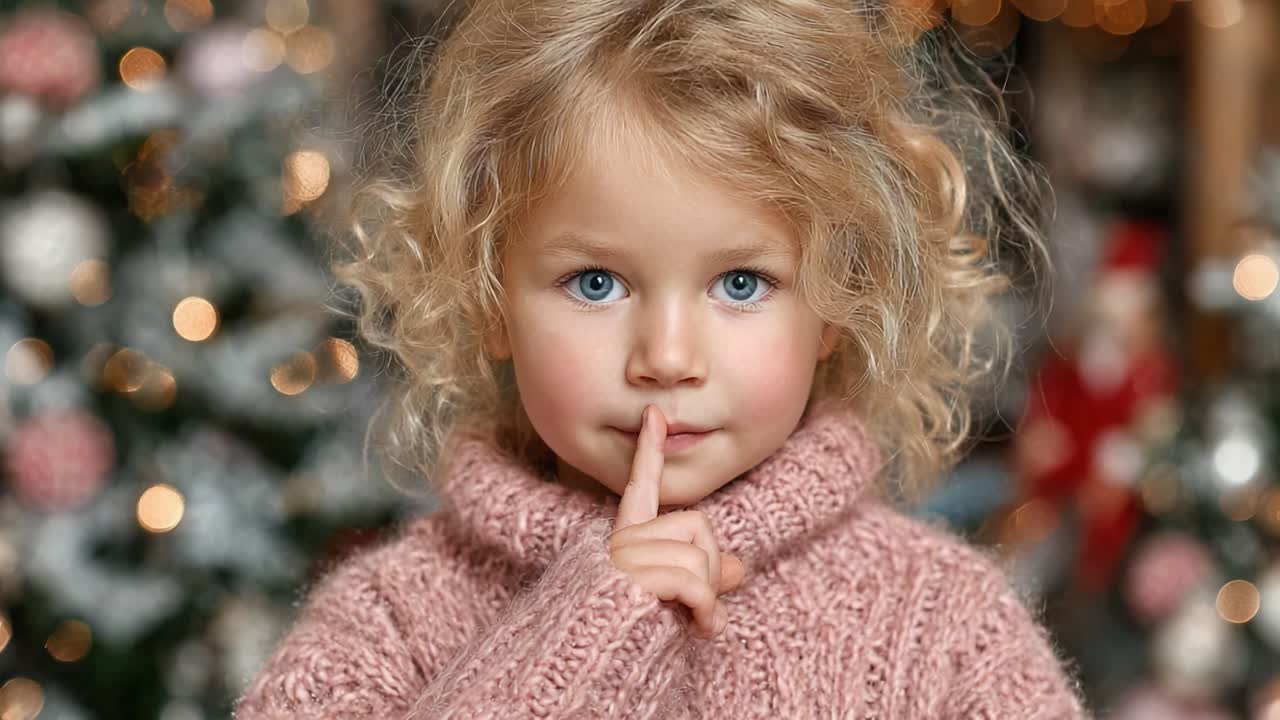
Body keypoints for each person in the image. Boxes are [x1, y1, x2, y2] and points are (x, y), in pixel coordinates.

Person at [233, 0, 1090, 717]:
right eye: (597, 283)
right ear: (489, 296)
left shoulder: (940, 622)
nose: (668, 358)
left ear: (839, 302)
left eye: (743, 284)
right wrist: (570, 642)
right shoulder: (389, 620)